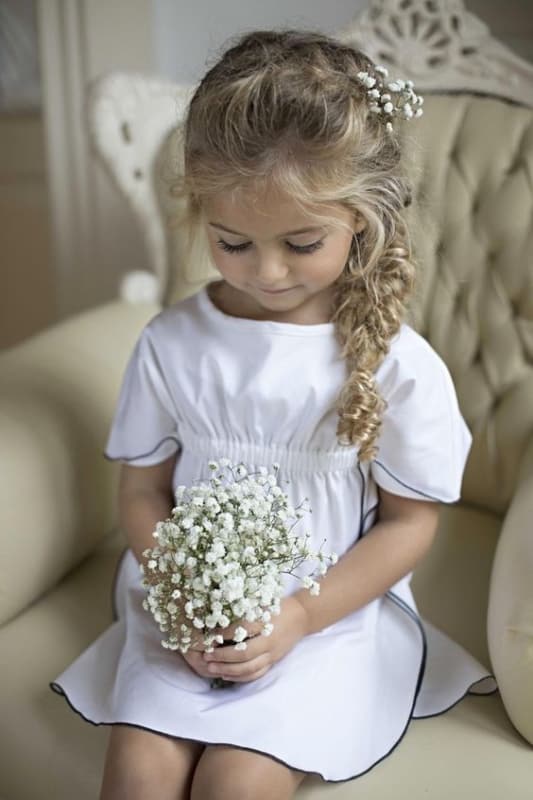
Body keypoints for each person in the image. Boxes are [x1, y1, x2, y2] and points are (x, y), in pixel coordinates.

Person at [51, 29, 496, 800]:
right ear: (201, 214)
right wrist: (184, 599)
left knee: (237, 782)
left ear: (362, 217)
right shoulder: (172, 344)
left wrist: (294, 616)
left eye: (300, 242)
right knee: (137, 776)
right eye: (232, 242)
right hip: (187, 611)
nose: (267, 272)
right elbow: (143, 492)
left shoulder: (394, 363)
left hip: (324, 619)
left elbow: (408, 523)